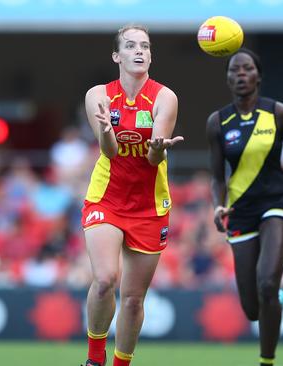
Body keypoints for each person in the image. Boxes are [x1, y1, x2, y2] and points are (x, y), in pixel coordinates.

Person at [206, 48, 283, 366]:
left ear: (258, 76)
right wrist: (218, 205)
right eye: (234, 70)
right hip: (241, 210)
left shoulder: (278, 113)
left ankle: (266, 361)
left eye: (247, 68)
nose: (240, 74)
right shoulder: (217, 122)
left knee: (267, 282)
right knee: (252, 308)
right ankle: (272, 300)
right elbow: (217, 177)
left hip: (278, 203)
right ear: (227, 79)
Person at [80, 24, 183, 366]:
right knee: (106, 279)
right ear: (117, 56)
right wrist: (108, 132)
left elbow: (155, 158)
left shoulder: (165, 97)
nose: (139, 51)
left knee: (134, 299)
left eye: (145, 46)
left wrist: (158, 149)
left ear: (150, 55)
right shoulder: (98, 95)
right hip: (106, 198)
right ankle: (95, 359)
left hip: (149, 205)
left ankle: (121, 363)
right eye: (130, 45)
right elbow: (108, 151)